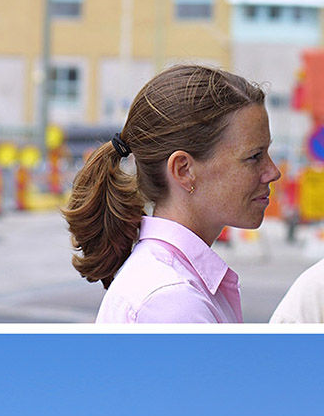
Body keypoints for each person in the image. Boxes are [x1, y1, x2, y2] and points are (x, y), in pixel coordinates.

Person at [62, 63, 280, 323]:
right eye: (254, 156)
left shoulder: (169, 285)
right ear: (184, 170)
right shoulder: (173, 302)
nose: (273, 172)